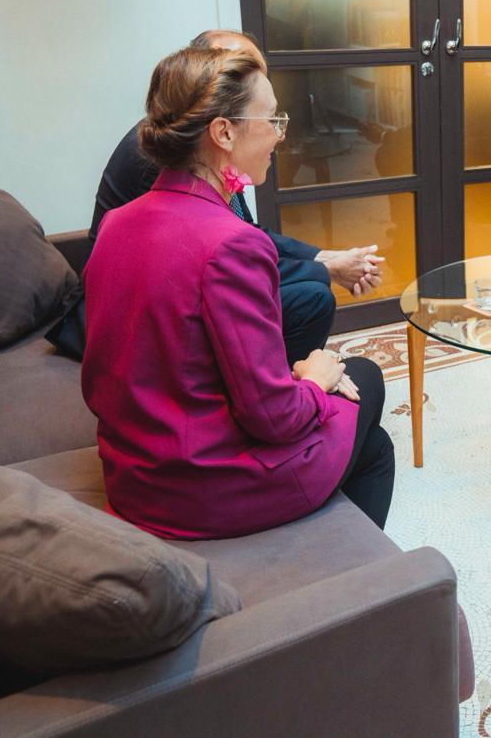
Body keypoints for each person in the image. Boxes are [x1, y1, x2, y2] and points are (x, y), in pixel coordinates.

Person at [81, 46, 395, 539]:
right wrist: (313, 380)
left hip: (132, 478)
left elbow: (99, 383)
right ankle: (326, 578)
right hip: (199, 490)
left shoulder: (117, 225)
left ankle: (341, 567)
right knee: (364, 376)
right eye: (272, 120)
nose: (279, 136)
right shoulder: (230, 243)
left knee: (371, 446)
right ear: (223, 132)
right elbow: (275, 418)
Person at [53, 29, 383, 364]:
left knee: (313, 302)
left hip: (181, 298)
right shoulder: (169, 159)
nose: (277, 133)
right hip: (139, 319)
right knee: (326, 322)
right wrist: (327, 271)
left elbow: (246, 239)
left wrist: (322, 256)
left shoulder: (206, 156)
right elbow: (233, 257)